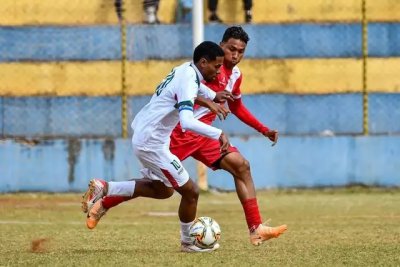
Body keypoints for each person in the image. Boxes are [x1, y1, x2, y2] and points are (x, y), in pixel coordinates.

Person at [81, 41, 233, 253]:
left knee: (162, 190)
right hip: (152, 142)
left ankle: (105, 188)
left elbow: (194, 88)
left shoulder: (185, 69)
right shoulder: (189, 79)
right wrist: (219, 134)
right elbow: (187, 121)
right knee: (191, 191)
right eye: (216, 67)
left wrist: (212, 96)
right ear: (203, 62)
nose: (218, 71)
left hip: (148, 136)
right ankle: (188, 243)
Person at [170, 26, 287, 246]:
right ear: (221, 45)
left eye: (241, 51)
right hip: (182, 132)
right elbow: (182, 94)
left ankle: (256, 228)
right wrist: (210, 101)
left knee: (241, 165)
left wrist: (264, 129)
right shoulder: (206, 67)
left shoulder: (235, 75)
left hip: (206, 136)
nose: (235, 55)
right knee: (160, 188)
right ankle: (107, 195)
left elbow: (237, 106)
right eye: (231, 49)